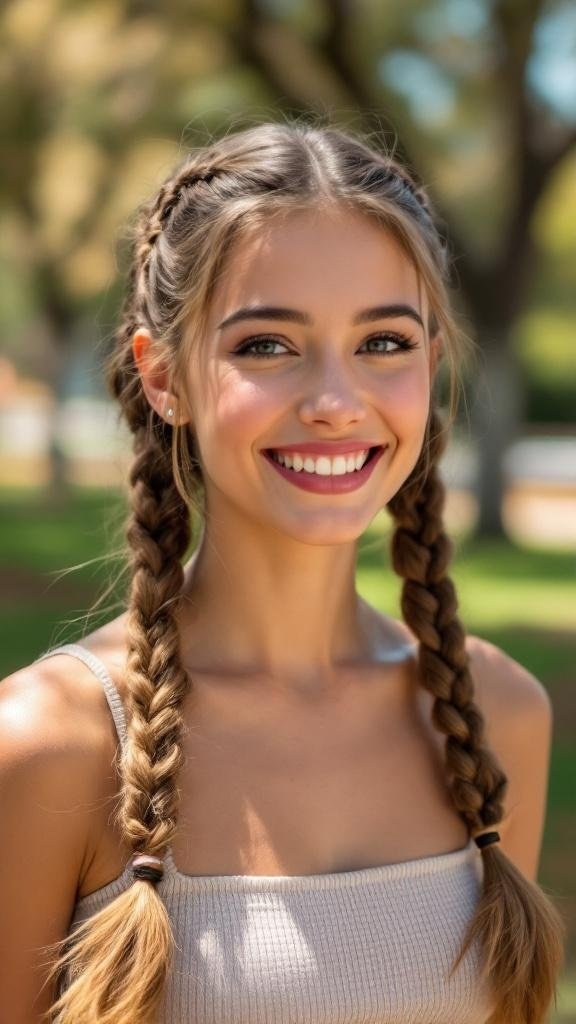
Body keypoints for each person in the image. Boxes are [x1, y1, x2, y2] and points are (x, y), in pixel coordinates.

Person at [0, 119, 565, 1024]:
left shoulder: (501, 714)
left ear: (432, 364)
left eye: (384, 342)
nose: (336, 402)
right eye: (267, 345)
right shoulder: (50, 745)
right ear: (164, 377)